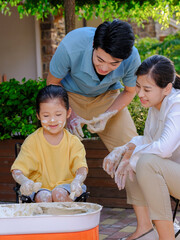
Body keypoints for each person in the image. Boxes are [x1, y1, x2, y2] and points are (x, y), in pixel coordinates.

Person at [103, 55, 180, 240]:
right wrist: (121, 150)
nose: (140, 94)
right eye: (138, 87)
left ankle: (167, 237)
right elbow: (147, 140)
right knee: (134, 157)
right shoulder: (156, 106)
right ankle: (145, 229)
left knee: (144, 162)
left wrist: (131, 157)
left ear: (167, 88)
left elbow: (163, 149)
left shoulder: (177, 105)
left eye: (147, 89)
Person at [47, 19, 141, 152]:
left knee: (131, 151)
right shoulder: (71, 44)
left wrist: (108, 114)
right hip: (68, 97)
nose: (104, 67)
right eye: (100, 59)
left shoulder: (132, 57)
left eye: (113, 64)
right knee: (56, 151)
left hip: (107, 98)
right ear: (93, 45)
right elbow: (52, 82)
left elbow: (130, 91)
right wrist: (69, 113)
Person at [11, 85, 88, 202]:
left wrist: (77, 181)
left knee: (58, 193)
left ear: (68, 113)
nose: (52, 120)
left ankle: (65, 220)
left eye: (58, 115)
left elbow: (81, 168)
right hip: (39, 188)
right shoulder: (32, 141)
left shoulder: (73, 142)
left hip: (68, 187)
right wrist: (24, 181)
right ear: (38, 115)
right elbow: (17, 170)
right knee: (44, 197)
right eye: (46, 116)